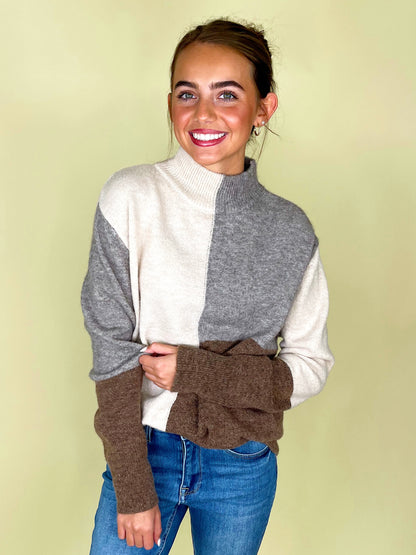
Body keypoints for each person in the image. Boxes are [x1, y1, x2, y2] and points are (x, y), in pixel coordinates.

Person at [81, 18, 334, 555]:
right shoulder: (129, 198)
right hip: (144, 451)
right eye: (187, 93)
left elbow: (310, 366)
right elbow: (111, 349)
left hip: (242, 462)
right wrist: (133, 488)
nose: (203, 114)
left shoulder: (291, 231)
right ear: (170, 102)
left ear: (263, 108)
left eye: (227, 94)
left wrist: (198, 372)